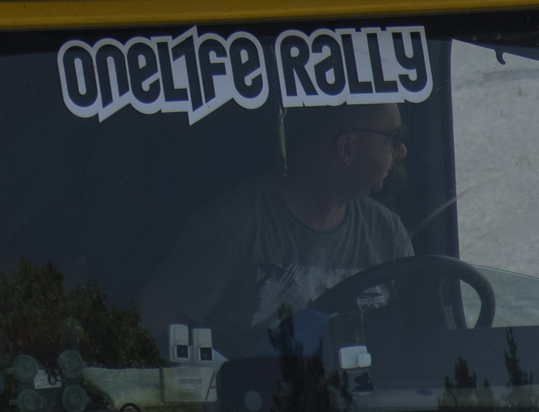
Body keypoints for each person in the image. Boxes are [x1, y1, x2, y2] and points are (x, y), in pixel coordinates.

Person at [142, 104, 416, 351]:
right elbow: (154, 324)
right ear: (347, 147)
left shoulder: (386, 232)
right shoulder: (237, 225)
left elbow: (421, 329)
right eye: (392, 139)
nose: (401, 151)